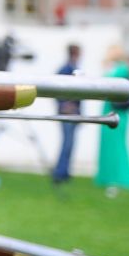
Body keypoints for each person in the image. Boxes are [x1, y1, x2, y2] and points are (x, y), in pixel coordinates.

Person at [94, 44, 129, 196]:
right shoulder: (117, 68)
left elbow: (110, 84)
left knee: (117, 145)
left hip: (117, 110)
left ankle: (118, 177)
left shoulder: (121, 69)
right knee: (109, 145)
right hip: (110, 108)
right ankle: (108, 176)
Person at [50, 43, 84, 185]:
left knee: (70, 144)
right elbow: (56, 90)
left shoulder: (74, 68)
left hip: (74, 113)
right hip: (68, 113)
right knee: (67, 143)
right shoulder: (65, 69)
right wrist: (64, 105)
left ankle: (64, 172)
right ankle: (60, 172)